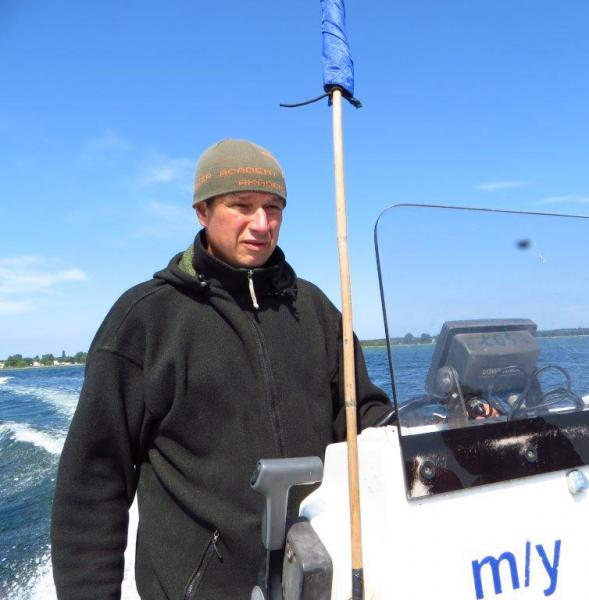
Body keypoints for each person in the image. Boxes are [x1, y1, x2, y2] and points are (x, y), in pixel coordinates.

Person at [51, 139, 390, 599]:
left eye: (273, 208)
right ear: (202, 211)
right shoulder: (146, 320)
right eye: (242, 206)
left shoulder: (316, 310)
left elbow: (359, 413)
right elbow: (93, 482)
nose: (261, 224)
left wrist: (417, 426)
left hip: (318, 575)